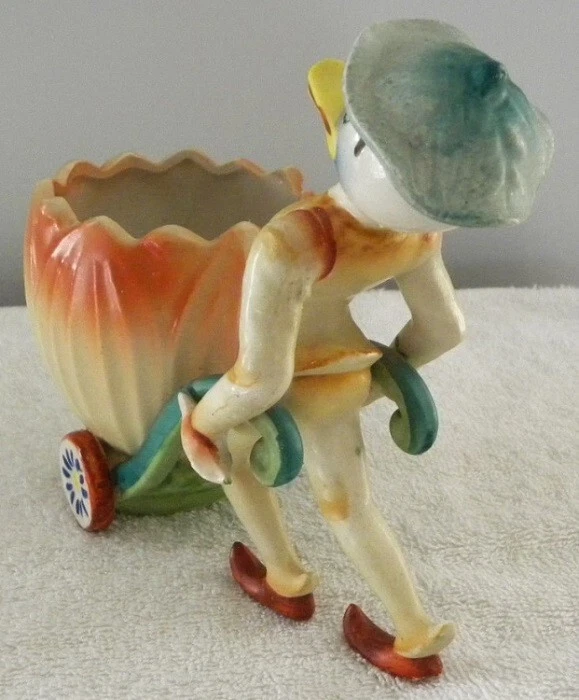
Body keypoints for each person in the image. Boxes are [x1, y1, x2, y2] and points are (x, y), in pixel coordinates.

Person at [178, 19, 553, 678]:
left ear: (358, 147)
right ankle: (412, 633)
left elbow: (261, 380)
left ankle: (284, 577)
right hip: (347, 378)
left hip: (286, 384)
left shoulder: (291, 241)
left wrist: (200, 423)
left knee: (234, 454)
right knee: (349, 506)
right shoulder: (417, 237)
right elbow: (444, 329)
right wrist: (380, 377)